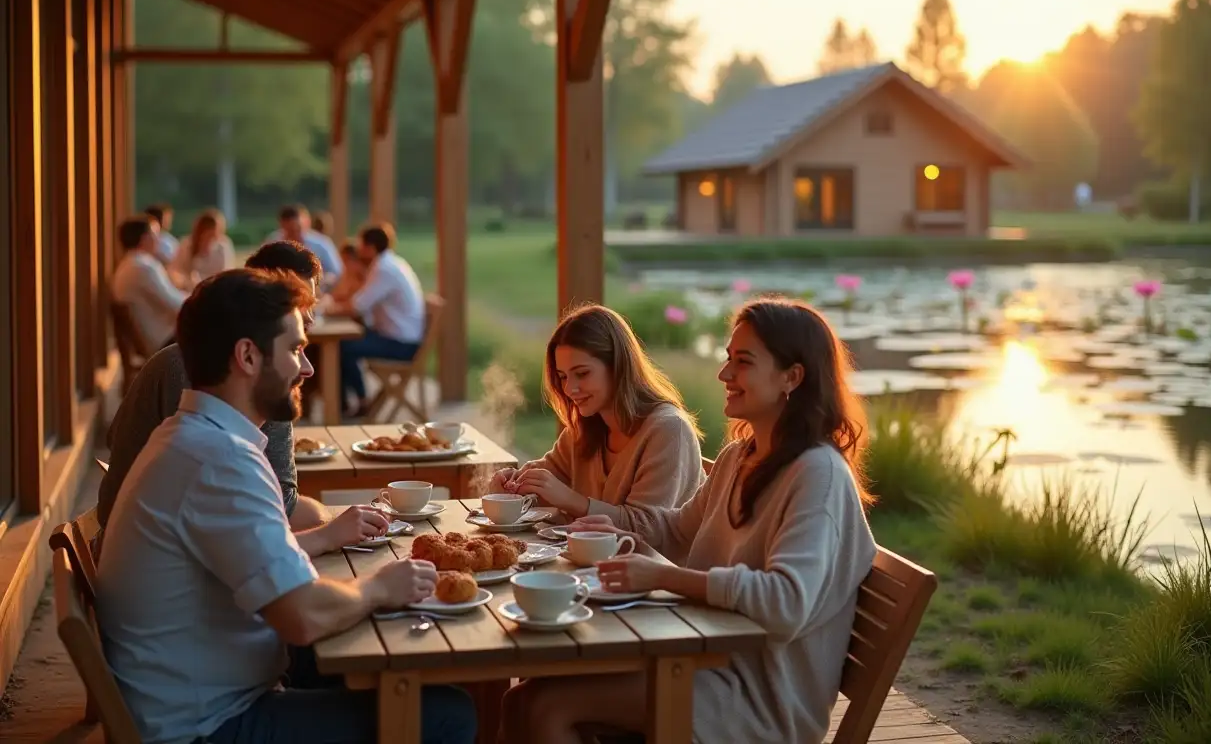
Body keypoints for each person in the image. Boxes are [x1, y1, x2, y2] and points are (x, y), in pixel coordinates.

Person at [95, 268, 476, 744]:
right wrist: (379, 588)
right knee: (446, 713)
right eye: (295, 348)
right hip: (206, 725)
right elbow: (303, 616)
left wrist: (326, 543)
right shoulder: (219, 458)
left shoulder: (190, 438)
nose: (309, 367)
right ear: (248, 356)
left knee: (377, 661)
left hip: (194, 693)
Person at [500, 297, 877, 744]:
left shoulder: (818, 474)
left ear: (791, 377)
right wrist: (614, 530)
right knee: (519, 700)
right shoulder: (742, 456)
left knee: (546, 706)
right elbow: (678, 529)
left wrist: (664, 575)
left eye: (743, 362)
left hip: (757, 696)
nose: (724, 374)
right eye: (727, 359)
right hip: (704, 654)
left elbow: (786, 603)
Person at [98, 242, 331, 536]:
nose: (305, 367)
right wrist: (329, 524)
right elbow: (278, 509)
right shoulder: (256, 381)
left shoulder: (177, 364)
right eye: (288, 303)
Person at [489, 304, 704, 530]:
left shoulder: (669, 430)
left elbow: (648, 527)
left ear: (618, 366)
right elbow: (548, 482)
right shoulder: (587, 427)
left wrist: (571, 500)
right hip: (593, 561)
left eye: (582, 374)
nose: (570, 389)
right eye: (563, 377)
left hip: (652, 563)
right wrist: (514, 487)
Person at [326, 223, 425, 417]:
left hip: (401, 345)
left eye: (361, 246)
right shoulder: (392, 263)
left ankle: (356, 403)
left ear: (370, 248)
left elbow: (358, 306)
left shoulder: (384, 269)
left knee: (339, 346)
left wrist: (326, 310)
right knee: (340, 343)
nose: (359, 250)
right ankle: (347, 403)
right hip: (398, 337)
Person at [111, 216, 188, 353]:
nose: (159, 239)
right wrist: (201, 297)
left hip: (154, 338)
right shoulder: (143, 266)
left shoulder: (129, 264)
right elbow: (175, 305)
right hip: (163, 342)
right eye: (156, 234)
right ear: (144, 238)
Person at [267, 204, 343, 283]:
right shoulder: (273, 243)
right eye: (290, 231)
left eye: (298, 229)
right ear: (281, 226)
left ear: (307, 223)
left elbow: (337, 272)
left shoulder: (321, 244)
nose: (295, 235)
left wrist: (318, 281)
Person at [170, 208, 236, 287]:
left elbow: (226, 273)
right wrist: (186, 281)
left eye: (213, 235)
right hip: (190, 289)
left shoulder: (223, 246)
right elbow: (175, 271)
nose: (209, 239)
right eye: (207, 234)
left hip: (215, 288)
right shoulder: (187, 244)